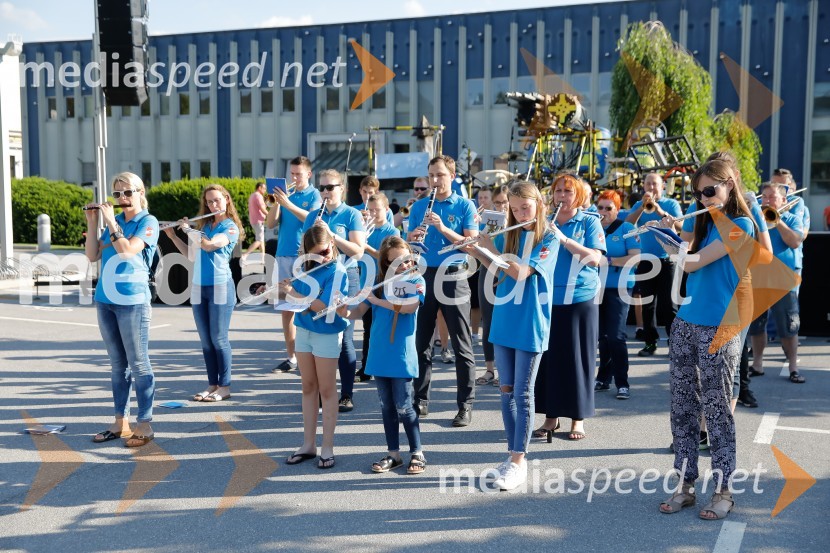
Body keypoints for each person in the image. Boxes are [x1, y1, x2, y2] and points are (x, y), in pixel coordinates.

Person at [658, 159, 756, 520]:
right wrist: (668, 231)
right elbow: (685, 251)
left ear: (729, 185)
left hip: (721, 326)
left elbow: (694, 261)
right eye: (698, 193)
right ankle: (684, 485)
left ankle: (723, 490)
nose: (703, 198)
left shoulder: (742, 224)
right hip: (686, 321)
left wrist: (674, 247)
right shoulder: (701, 220)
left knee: (717, 410)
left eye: (710, 190)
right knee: (683, 408)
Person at [463, 181, 559, 490]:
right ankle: (512, 456)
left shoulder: (550, 237)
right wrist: (478, 251)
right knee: (505, 390)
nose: (520, 215)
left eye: (525, 208)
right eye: (514, 210)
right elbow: (500, 270)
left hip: (530, 320)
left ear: (539, 205)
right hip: (504, 318)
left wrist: (489, 249)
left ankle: (519, 461)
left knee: (522, 393)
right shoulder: (512, 234)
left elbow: (519, 272)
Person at [85, 172, 159, 448]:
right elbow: (92, 254)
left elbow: (127, 251)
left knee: (139, 363)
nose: (122, 198)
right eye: (117, 194)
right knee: (118, 365)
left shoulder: (148, 222)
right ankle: (120, 422)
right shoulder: (114, 221)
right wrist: (93, 222)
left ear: (141, 193)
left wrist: (111, 222)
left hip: (133, 301)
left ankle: (145, 424)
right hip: (106, 299)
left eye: (128, 192)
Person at [341, 238, 427, 475]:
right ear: (387, 263)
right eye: (397, 262)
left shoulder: (416, 280)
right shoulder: (379, 283)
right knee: (386, 406)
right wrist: (342, 308)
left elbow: (410, 307)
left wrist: (378, 300)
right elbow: (358, 312)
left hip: (401, 353)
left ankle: (417, 452)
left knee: (405, 406)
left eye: (406, 259)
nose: (404, 265)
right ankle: (394, 454)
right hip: (379, 353)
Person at [407, 155, 479, 426]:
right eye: (431, 176)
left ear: (452, 176)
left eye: (440, 175)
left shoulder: (465, 205)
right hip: (424, 273)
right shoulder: (419, 206)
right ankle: (420, 399)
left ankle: (465, 405)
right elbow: (409, 243)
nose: (435, 181)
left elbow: (471, 244)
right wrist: (412, 238)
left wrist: (443, 228)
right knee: (422, 343)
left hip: (454, 274)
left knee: (461, 343)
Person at [534, 173, 605, 441]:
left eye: (568, 191)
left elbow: (595, 259)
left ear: (579, 196)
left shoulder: (589, 221)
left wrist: (563, 239)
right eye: (558, 191)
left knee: (578, 359)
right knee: (549, 360)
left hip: (580, 297)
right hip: (548, 296)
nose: (562, 196)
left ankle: (578, 419)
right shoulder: (544, 221)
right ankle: (550, 418)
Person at [163, 184, 244, 402]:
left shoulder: (230, 228)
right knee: (206, 341)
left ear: (226, 200)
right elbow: (192, 255)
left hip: (220, 286)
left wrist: (189, 230)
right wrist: (173, 236)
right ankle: (212, 385)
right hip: (199, 287)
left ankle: (224, 387)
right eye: (209, 202)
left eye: (217, 200)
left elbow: (209, 246)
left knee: (219, 338)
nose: (213, 205)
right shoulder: (205, 226)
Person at [279, 226, 349, 470]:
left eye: (325, 251)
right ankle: (308, 444)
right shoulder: (305, 267)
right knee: (308, 387)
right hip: (304, 330)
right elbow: (299, 299)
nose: (322, 258)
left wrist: (293, 293)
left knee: (327, 390)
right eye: (315, 254)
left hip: (327, 333)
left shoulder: (338, 270)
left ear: (332, 243)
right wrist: (287, 290)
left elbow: (322, 306)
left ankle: (327, 447)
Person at [302, 169, 366, 412]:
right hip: (317, 278)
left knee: (344, 336)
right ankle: (322, 392)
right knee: (319, 335)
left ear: (342, 189)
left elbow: (358, 251)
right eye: (322, 188)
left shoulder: (351, 214)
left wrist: (331, 236)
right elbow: (303, 252)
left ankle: (346, 394)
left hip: (345, 275)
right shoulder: (312, 216)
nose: (325, 192)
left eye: (330, 187)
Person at [266, 156, 322, 373]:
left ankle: (311, 356)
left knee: (307, 307)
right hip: (283, 255)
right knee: (286, 310)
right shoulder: (286, 195)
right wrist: (276, 203)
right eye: (292, 174)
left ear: (308, 174)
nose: (295, 178)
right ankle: (291, 358)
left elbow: (312, 219)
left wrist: (287, 204)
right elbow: (270, 224)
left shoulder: (314, 194)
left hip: (305, 257)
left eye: (298, 174)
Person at [749, 182, 805, 383]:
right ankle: (757, 364)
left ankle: (793, 367)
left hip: (783, 280)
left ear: (783, 200)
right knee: (757, 325)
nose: (766, 200)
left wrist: (778, 220)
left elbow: (795, 241)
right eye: (764, 196)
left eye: (771, 197)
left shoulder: (792, 219)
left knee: (788, 326)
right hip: (758, 279)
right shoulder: (755, 219)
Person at [625, 172, 682, 357]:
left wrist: (659, 210)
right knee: (647, 304)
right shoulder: (638, 204)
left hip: (667, 260)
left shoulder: (671, 204)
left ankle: (675, 344)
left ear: (662, 186)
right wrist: (642, 208)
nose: (651, 187)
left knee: (669, 305)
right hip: (645, 260)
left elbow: (681, 226)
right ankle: (650, 342)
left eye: (654, 184)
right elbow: (627, 224)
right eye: (648, 184)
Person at [595, 190, 640, 400]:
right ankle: (603, 378)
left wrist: (610, 261)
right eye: (600, 207)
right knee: (602, 336)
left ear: (617, 209)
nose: (603, 212)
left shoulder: (627, 228)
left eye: (609, 208)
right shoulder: (593, 227)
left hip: (619, 287)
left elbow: (636, 258)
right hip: (596, 287)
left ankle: (622, 383)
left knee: (616, 335)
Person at [355, 193, 401, 382]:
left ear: (387, 209)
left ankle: (385, 366)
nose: (373, 214)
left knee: (384, 328)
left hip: (384, 285)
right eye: (371, 210)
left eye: (377, 210)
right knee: (368, 328)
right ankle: (366, 367)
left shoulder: (392, 231)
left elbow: (387, 258)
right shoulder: (366, 229)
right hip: (366, 283)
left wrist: (365, 246)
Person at [475, 184, 509, 386]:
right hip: (487, 271)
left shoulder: (517, 224)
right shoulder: (490, 222)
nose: (501, 206)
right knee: (488, 321)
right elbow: (481, 247)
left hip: (508, 272)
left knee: (506, 320)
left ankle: (505, 370)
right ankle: (489, 369)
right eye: (497, 203)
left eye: (504, 202)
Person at [242, 182, 268, 263]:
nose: (265, 190)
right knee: (259, 240)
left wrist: (265, 203)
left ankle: (262, 260)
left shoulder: (252, 195)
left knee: (261, 240)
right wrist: (271, 216)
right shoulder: (258, 196)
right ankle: (245, 255)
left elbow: (260, 207)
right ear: (259, 188)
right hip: (259, 221)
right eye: (264, 188)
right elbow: (263, 209)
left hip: (254, 220)